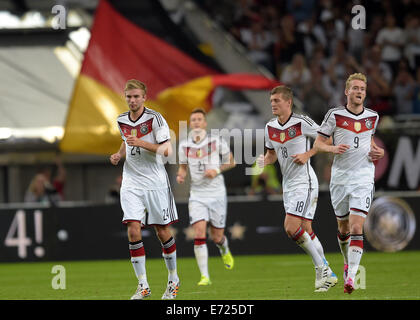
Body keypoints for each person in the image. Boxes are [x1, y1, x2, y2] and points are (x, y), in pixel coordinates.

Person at [256, 85, 337, 292]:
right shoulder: (270, 127)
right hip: (288, 184)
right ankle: (329, 272)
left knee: (291, 227)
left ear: (288, 102)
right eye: (271, 101)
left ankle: (321, 268)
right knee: (306, 230)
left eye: (276, 101)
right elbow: (272, 154)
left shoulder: (302, 122)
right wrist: (264, 161)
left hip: (305, 181)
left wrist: (307, 155)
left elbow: (326, 139)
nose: (273, 104)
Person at [314, 73, 384, 294]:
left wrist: (378, 152)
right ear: (346, 92)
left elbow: (369, 141)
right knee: (343, 229)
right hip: (340, 179)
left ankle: (351, 277)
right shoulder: (334, 115)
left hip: (363, 178)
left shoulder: (373, 117)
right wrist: (332, 148)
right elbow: (318, 143)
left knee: (356, 227)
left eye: (362, 88)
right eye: (355, 88)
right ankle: (347, 262)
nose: (359, 92)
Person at [110, 79, 179, 300]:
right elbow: (125, 141)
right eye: (129, 96)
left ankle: (173, 279)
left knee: (162, 231)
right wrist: (119, 154)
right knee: (132, 229)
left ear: (144, 97)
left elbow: (167, 150)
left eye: (136, 96)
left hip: (155, 182)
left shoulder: (155, 119)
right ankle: (143, 286)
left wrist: (141, 143)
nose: (132, 100)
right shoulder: (121, 119)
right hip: (131, 182)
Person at [177, 108, 236, 286]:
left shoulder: (216, 141)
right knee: (199, 233)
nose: (196, 122)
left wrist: (216, 170)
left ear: (204, 123)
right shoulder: (184, 146)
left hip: (217, 193)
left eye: (199, 119)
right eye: (193, 119)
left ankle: (224, 248)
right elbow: (183, 167)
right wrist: (181, 175)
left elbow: (231, 161)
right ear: (190, 124)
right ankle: (205, 276)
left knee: (217, 237)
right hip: (197, 194)